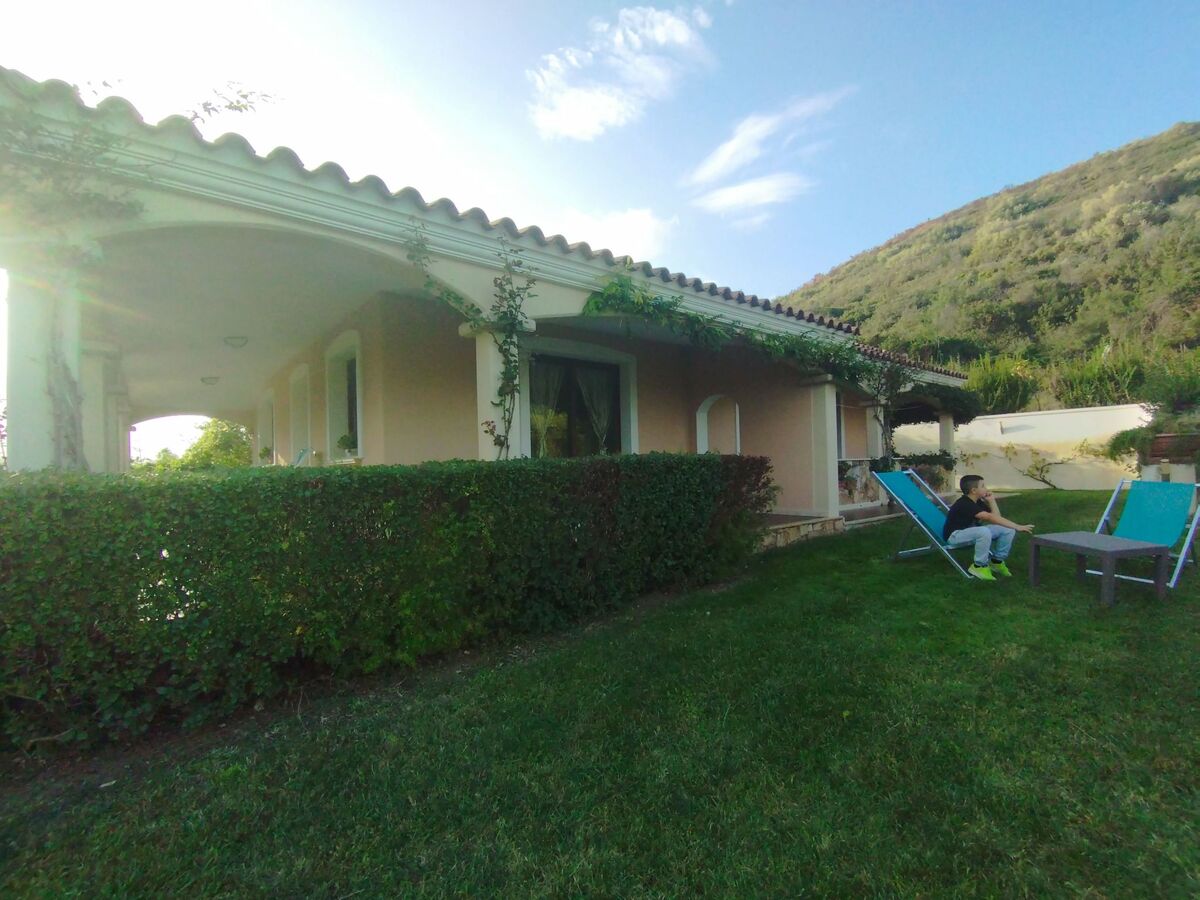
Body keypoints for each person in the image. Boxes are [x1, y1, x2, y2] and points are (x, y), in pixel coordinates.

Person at [942, 474, 1035, 581]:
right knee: (984, 531)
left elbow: (997, 518)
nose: (986, 488)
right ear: (974, 490)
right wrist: (1017, 526)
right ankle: (979, 566)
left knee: (1007, 529)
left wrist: (991, 501)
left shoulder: (977, 502)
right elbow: (989, 517)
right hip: (955, 536)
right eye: (983, 486)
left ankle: (996, 562)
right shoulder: (965, 503)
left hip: (970, 533)